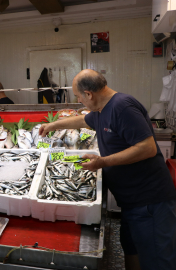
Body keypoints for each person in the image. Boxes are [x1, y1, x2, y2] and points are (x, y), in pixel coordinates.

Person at [39, 69, 176, 270]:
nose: (80, 102)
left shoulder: (122, 107)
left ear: (89, 94)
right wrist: (53, 125)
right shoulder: (102, 110)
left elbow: (147, 148)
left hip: (150, 201)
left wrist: (102, 162)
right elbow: (81, 120)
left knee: (157, 259)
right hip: (131, 201)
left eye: (79, 97)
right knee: (132, 249)